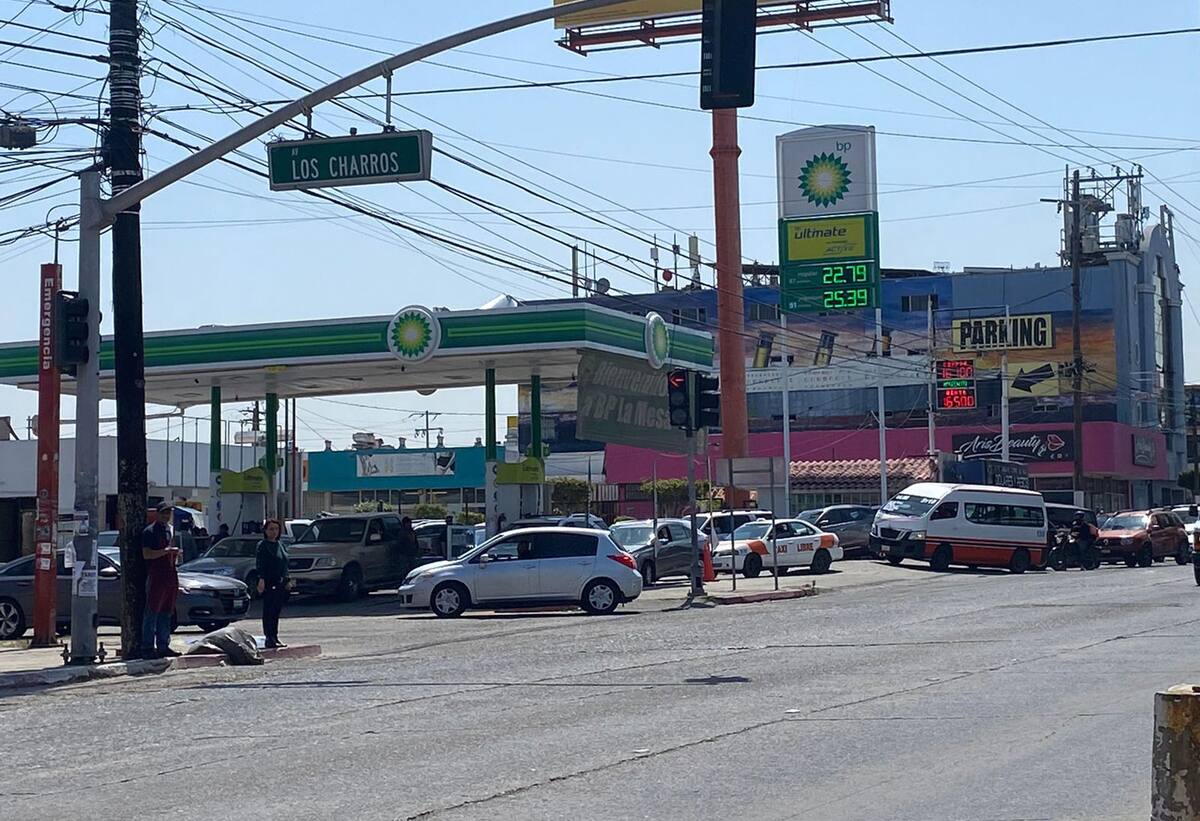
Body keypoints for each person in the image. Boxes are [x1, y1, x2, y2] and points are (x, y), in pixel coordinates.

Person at [141, 502, 180, 659]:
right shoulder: (149, 532)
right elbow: (147, 554)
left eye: (168, 513)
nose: (166, 515)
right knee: (152, 612)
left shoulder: (169, 531)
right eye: (164, 512)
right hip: (156, 575)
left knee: (166, 612)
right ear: (158, 514)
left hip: (170, 575)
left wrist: (174, 554)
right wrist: (166, 552)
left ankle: (163, 645)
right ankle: (148, 647)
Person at [255, 518, 291, 649]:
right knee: (268, 610)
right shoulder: (263, 545)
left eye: (276, 529)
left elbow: (284, 563)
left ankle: (275, 636)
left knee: (276, 610)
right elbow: (260, 564)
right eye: (271, 529)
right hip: (269, 582)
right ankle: (269, 637)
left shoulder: (280, 544)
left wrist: (287, 579)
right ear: (265, 530)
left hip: (280, 582)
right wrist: (261, 579)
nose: (274, 532)